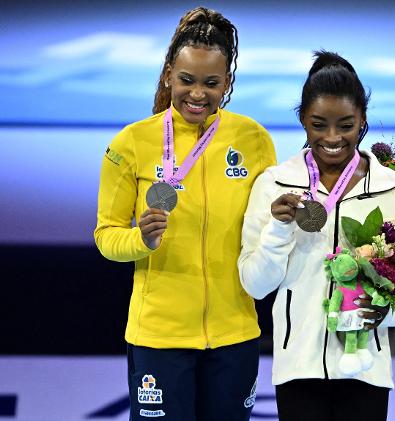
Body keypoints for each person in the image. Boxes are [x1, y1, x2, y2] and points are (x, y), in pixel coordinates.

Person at [94, 7, 275, 421]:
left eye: (211, 83)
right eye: (186, 81)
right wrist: (140, 239)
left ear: (227, 82)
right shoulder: (132, 143)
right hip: (158, 337)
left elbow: (263, 230)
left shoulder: (253, 139)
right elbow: (106, 236)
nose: (197, 94)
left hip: (235, 335)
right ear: (168, 76)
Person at [238, 50, 395, 421]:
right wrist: (279, 228)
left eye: (345, 125)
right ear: (303, 119)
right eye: (319, 124)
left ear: (362, 119)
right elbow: (255, 285)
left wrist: (388, 312)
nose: (332, 138)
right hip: (297, 366)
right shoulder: (273, 184)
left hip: (366, 363)